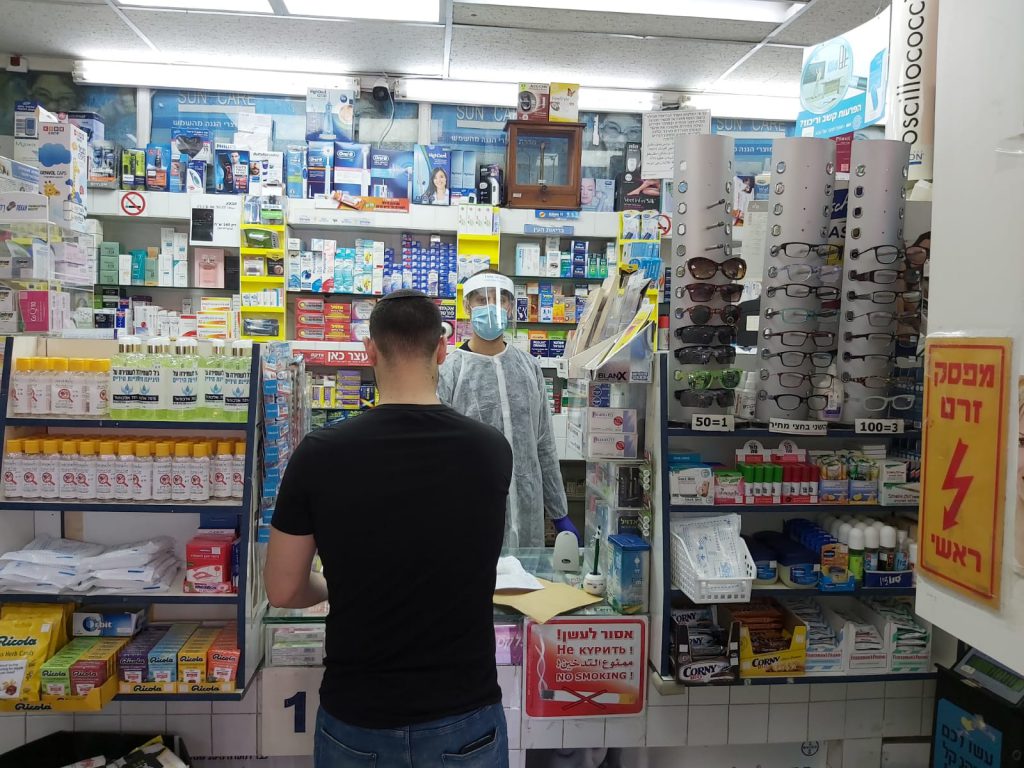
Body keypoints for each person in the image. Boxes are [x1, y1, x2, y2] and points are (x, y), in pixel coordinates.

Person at [266, 289, 513, 767]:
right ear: (442, 350)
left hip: (358, 715)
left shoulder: (320, 454)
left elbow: (282, 588)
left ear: (369, 351)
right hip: (465, 712)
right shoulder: (490, 450)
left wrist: (336, 586)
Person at [438, 270, 579, 549]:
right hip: (471, 513)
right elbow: (441, 455)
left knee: (526, 574)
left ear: (510, 306)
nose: (492, 308)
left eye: (500, 300)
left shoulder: (529, 367)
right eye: (482, 300)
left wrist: (559, 512)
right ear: (467, 306)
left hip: (528, 515)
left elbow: (544, 444)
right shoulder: (449, 371)